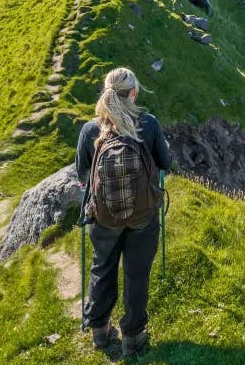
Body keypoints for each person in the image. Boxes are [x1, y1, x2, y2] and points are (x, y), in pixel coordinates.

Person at [76, 66, 171, 357]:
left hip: (104, 217)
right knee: (136, 272)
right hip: (143, 214)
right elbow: (165, 162)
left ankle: (99, 330)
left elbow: (82, 173)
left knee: (102, 267)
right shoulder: (149, 124)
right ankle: (133, 335)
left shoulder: (91, 130)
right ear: (133, 93)